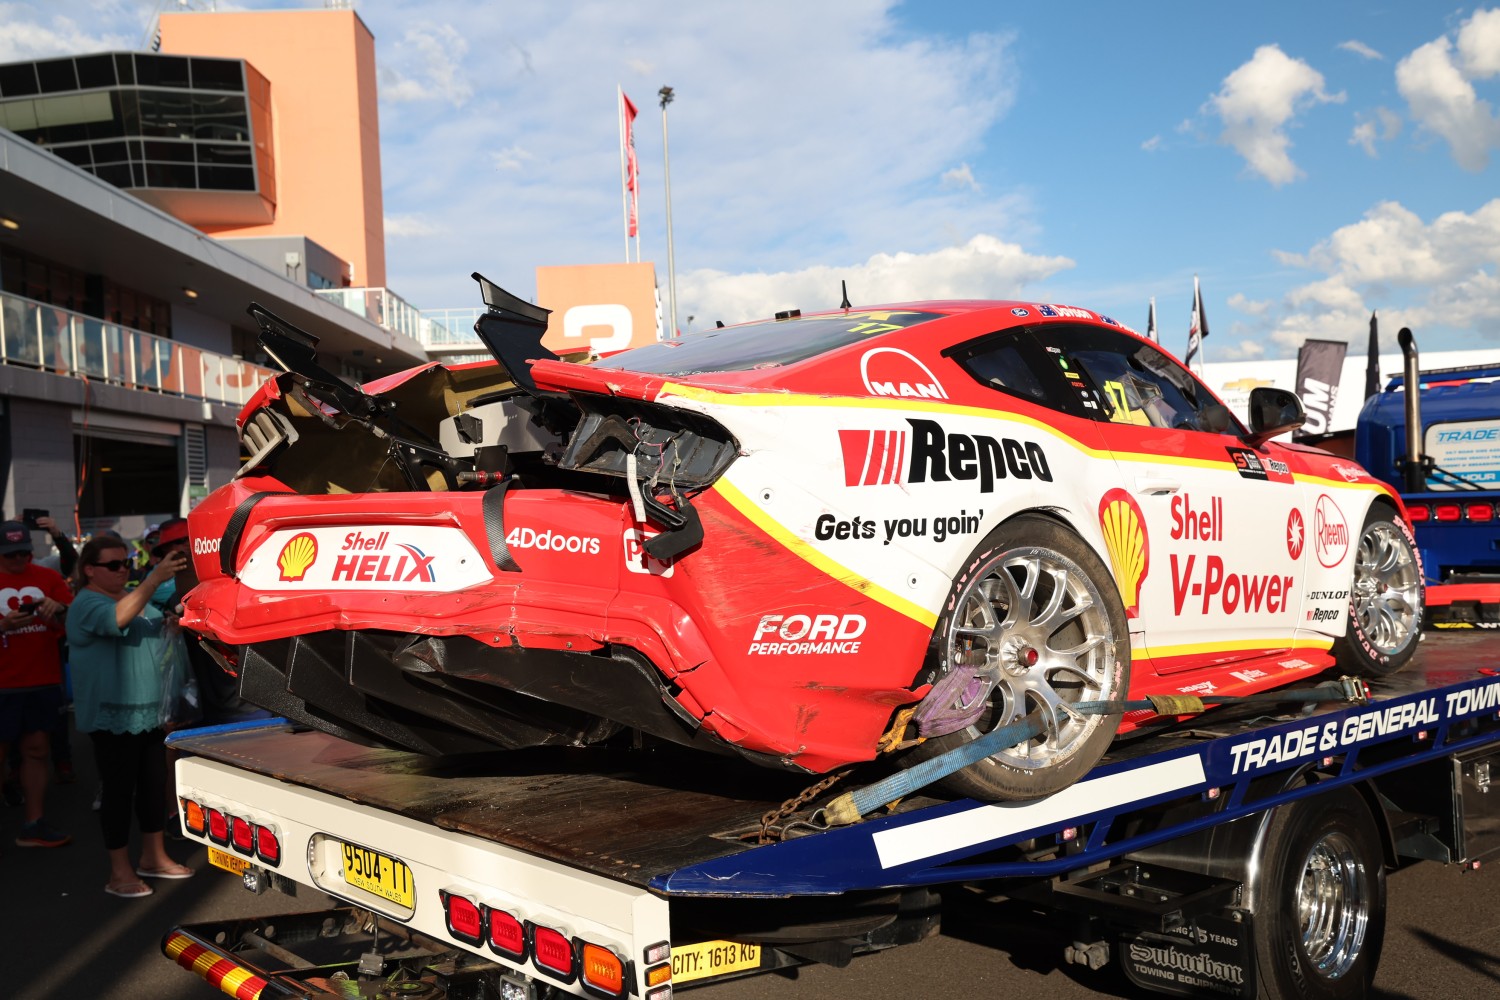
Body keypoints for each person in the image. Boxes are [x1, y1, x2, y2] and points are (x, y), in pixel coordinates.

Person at [67, 535, 193, 898]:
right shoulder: (86, 602)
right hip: (112, 718)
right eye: (113, 565)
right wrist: (152, 579)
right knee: (119, 793)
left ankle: (153, 857)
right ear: (90, 569)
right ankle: (118, 871)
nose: (123, 570)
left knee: (153, 789)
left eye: (125, 564)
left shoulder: (131, 596)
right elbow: (115, 621)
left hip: (150, 713)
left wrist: (171, 622)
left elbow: (152, 627)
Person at [0, 520, 73, 848]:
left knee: (37, 751)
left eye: (22, 552)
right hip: (3, 685)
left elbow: (74, 620)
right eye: (9, 554)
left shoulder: (48, 577)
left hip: (41, 679)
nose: (17, 560)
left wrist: (59, 610)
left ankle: (34, 822)